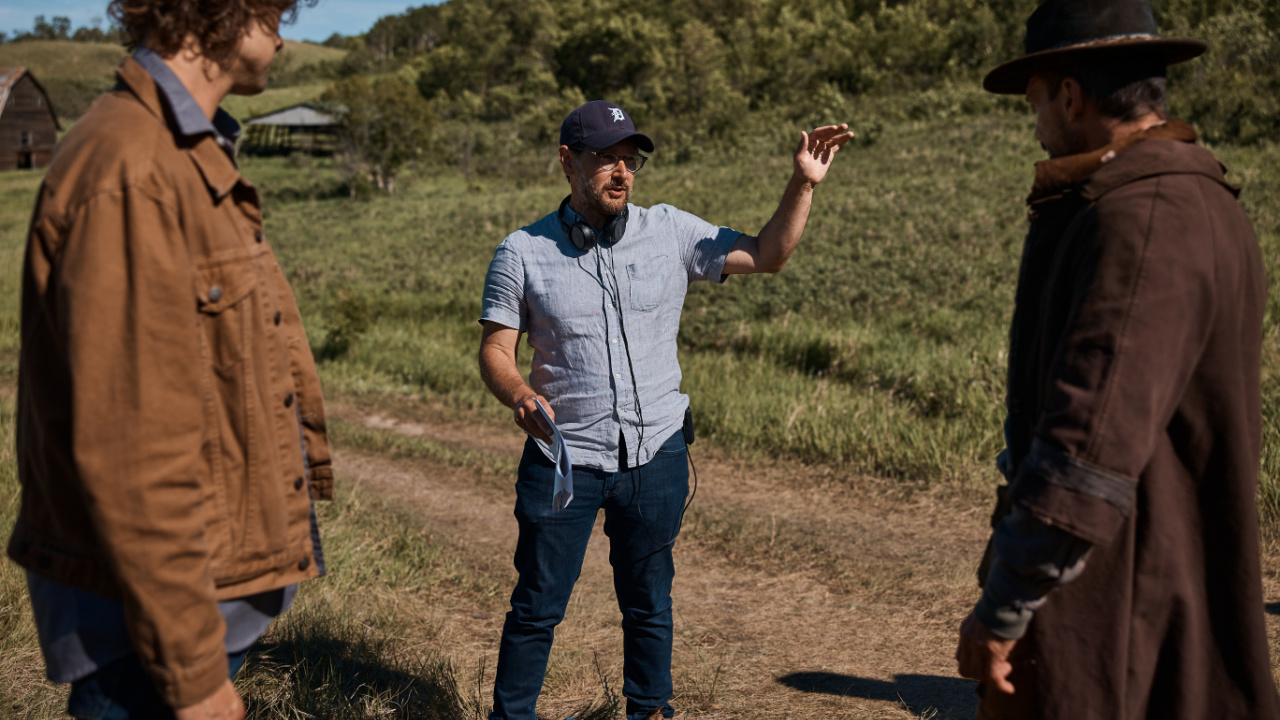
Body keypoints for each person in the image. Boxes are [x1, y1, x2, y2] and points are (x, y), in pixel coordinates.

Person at [954, 0, 1280, 718]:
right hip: (1162, 579)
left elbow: (1087, 450)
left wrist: (1005, 606)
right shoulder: (1200, 198)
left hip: (1116, 604)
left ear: (1071, 94)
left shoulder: (1146, 218)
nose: (1037, 126)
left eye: (1037, 103)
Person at [9, 1, 332, 718]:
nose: (284, 35)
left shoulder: (179, 150)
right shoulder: (135, 163)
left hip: (181, 612)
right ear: (223, 11)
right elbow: (133, 445)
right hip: (145, 641)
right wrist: (192, 674)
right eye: (275, 10)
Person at [478, 100, 852, 719]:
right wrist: (519, 393)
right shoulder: (521, 252)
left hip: (657, 455)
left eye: (631, 160)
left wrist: (801, 184)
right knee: (538, 604)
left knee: (649, 601)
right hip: (564, 459)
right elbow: (496, 348)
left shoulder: (672, 231)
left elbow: (769, 254)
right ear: (568, 162)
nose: (622, 172)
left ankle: (649, 710)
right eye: (606, 159)